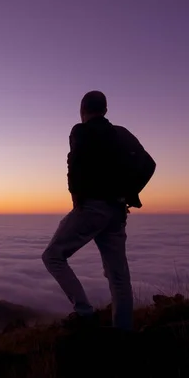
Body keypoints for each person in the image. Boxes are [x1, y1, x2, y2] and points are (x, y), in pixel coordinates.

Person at [42, 90, 154, 331]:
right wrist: (130, 193)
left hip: (93, 207)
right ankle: (123, 332)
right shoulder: (122, 134)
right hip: (117, 211)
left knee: (53, 256)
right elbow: (149, 164)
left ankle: (84, 313)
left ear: (83, 109)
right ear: (105, 110)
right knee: (118, 275)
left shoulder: (80, 131)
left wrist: (76, 199)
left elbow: (74, 163)